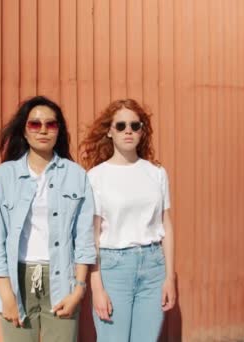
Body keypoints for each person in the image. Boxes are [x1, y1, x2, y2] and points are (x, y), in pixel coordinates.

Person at [0, 96, 96, 342]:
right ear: (24, 131)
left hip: (61, 278)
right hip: (17, 279)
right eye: (35, 124)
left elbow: (84, 240)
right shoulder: (5, 177)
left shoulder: (77, 176)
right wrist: (7, 295)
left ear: (59, 130)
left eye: (51, 124)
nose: (43, 130)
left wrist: (78, 291)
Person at [80, 99, 176, 342]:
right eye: (120, 126)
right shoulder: (96, 177)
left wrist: (169, 277)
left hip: (154, 267)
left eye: (135, 125)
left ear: (142, 131)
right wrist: (97, 287)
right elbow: (92, 236)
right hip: (114, 269)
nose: (128, 131)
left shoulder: (156, 173)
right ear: (110, 132)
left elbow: (166, 225)